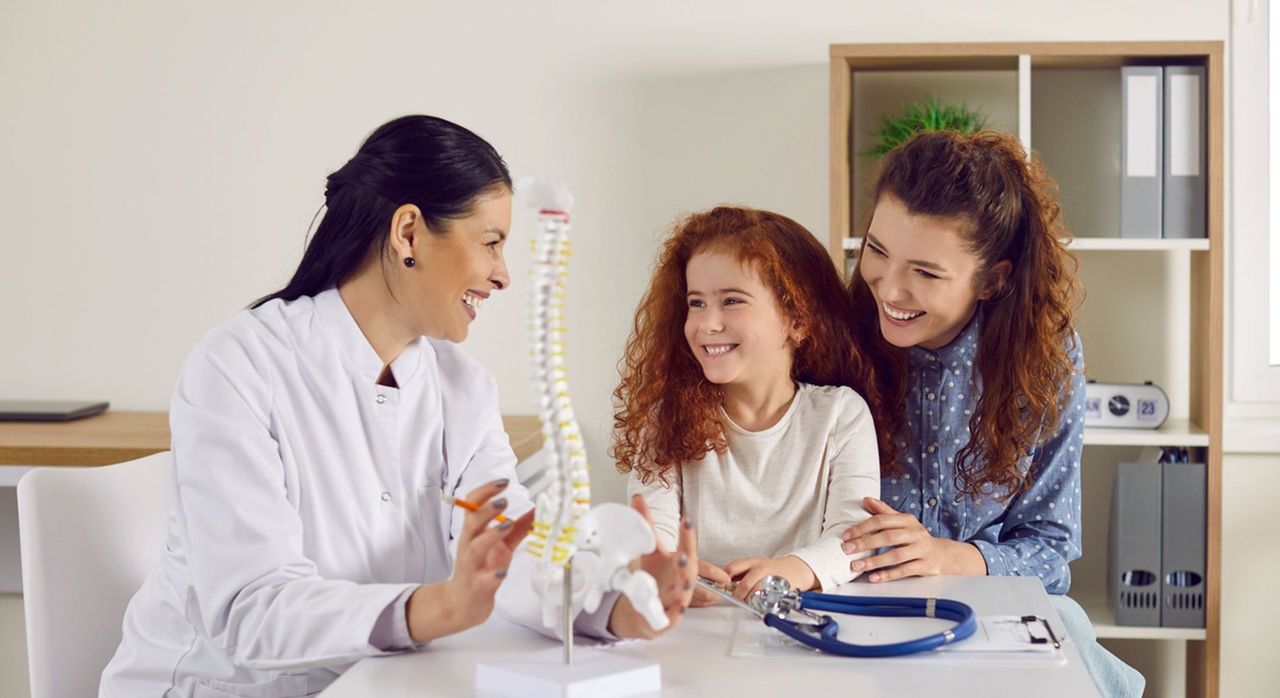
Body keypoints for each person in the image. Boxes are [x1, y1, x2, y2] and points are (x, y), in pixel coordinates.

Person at [100, 115, 696, 698]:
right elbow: (251, 607)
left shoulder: (463, 386)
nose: (503, 276)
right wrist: (437, 605)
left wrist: (619, 604)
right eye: (490, 243)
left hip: (378, 682)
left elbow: (510, 551)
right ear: (407, 232)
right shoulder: (240, 364)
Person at [838, 129, 1143, 697]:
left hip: (987, 614)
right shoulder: (834, 334)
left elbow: (1051, 550)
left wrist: (951, 557)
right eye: (876, 251)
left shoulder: (1046, 359)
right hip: (849, 606)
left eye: (926, 272)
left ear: (992, 280)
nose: (890, 288)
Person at [613, 206, 889, 604]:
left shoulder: (842, 416)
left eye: (732, 301)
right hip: (693, 630)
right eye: (696, 303)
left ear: (798, 320)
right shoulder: (666, 419)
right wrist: (667, 568)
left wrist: (792, 570)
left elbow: (853, 538)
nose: (707, 324)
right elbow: (651, 533)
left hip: (804, 621)